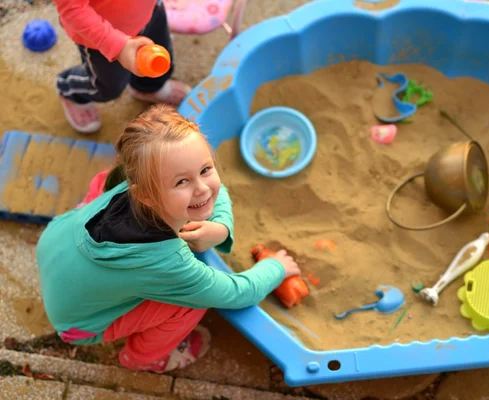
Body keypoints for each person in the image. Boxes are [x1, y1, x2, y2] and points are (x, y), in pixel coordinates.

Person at [36, 104, 301, 373]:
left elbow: (215, 192)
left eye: (205, 169)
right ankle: (142, 358)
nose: (201, 188)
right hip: (78, 325)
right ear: (146, 196)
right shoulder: (167, 261)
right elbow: (235, 293)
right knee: (190, 304)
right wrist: (276, 268)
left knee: (102, 182)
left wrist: (220, 227)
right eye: (181, 182)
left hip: (52, 245)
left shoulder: (134, 178)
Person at [53, 0, 192, 134]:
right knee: (107, 86)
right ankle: (70, 90)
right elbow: (73, 10)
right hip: (102, 34)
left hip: (150, 11)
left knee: (158, 59)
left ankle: (148, 88)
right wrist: (117, 47)